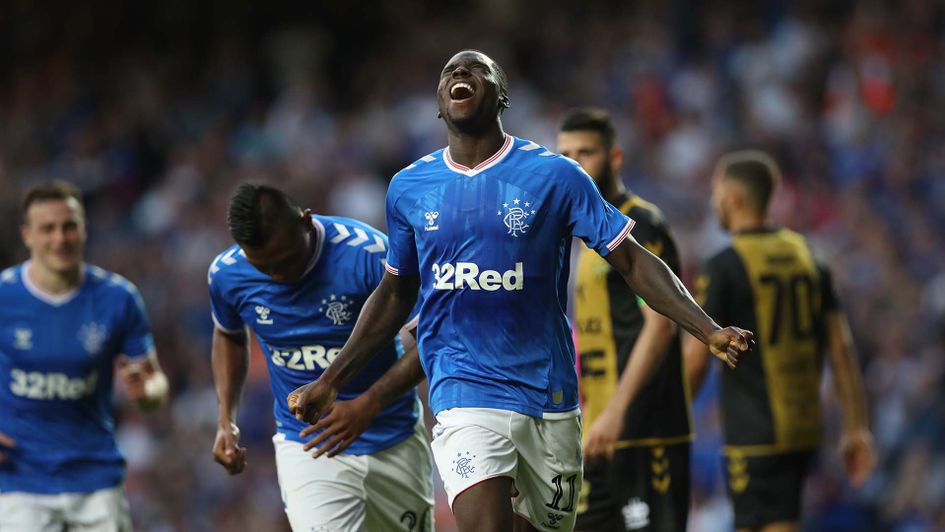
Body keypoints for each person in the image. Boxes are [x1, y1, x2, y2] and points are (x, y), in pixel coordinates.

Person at [290, 49, 752, 532]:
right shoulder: (409, 187)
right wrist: (332, 380)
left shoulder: (555, 176)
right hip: (463, 392)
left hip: (548, 397)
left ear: (502, 96)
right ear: (440, 105)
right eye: (450, 71)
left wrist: (708, 329)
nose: (460, 72)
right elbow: (395, 291)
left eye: (477, 68)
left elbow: (632, 260)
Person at [207, 183, 433, 531]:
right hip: (309, 446)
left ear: (307, 222)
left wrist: (369, 403)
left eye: (286, 260)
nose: (278, 276)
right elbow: (229, 335)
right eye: (264, 268)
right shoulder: (227, 275)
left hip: (393, 436)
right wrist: (226, 419)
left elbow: (432, 339)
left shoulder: (369, 254)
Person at [685, 151, 875, 532]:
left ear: (734, 198)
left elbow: (696, 358)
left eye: (716, 193)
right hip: (803, 427)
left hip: (755, 428)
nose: (713, 201)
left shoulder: (724, 265)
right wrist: (856, 427)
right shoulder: (809, 256)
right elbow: (841, 347)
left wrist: (667, 419)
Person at [0, 180, 169, 531]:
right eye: (47, 228)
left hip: (95, 479)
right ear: (27, 235)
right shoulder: (4, 296)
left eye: (69, 226)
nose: (60, 238)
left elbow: (155, 384)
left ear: (84, 229)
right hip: (20, 481)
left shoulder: (118, 298)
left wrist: (146, 392)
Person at [558, 108, 692, 531]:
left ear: (614, 157)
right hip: (599, 431)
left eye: (586, 153)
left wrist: (616, 411)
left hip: (644, 431)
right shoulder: (583, 234)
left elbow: (660, 324)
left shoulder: (640, 224)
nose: (575, 165)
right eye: (565, 155)